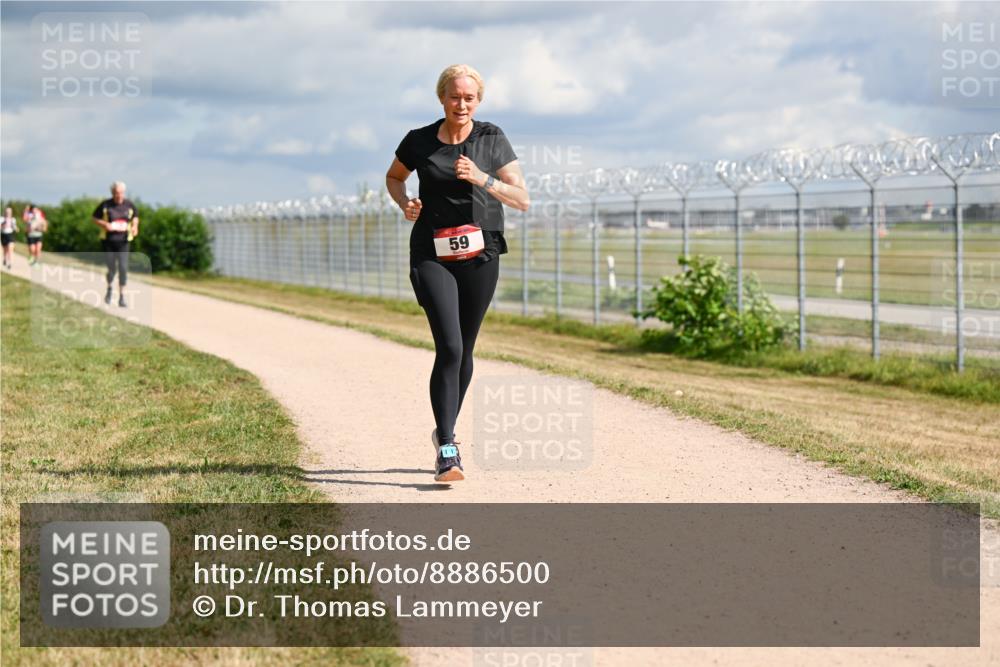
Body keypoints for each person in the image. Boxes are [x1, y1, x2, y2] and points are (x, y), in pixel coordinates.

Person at [386, 64, 530, 483]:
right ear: (442, 98)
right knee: (448, 345)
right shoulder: (418, 141)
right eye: (454, 96)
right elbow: (395, 177)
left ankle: (442, 426)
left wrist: (483, 178)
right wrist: (404, 203)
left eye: (469, 98)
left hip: (481, 255)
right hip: (431, 252)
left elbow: (522, 198)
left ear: (478, 101)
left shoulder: (491, 138)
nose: (461, 104)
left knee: (465, 349)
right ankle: (448, 447)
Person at [92, 181, 140, 308]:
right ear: (112, 193)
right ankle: (109, 289)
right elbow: (94, 218)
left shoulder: (129, 205)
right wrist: (105, 225)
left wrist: (135, 227)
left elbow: (135, 216)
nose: (119, 195)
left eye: (121, 193)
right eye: (116, 193)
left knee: (123, 268)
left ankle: (122, 297)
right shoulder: (106, 205)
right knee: (112, 269)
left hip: (124, 241)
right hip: (108, 241)